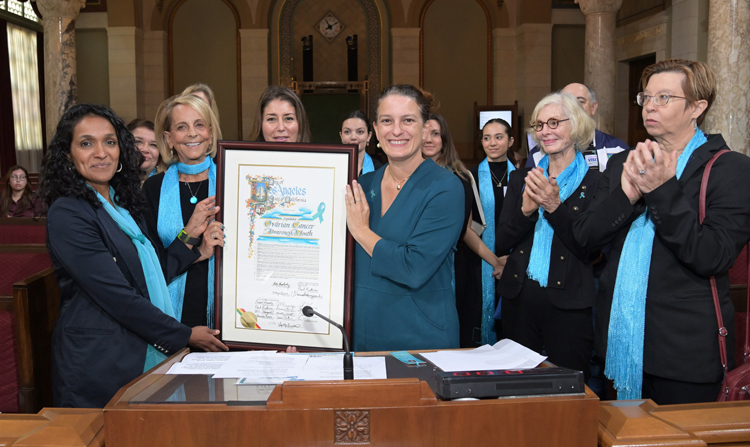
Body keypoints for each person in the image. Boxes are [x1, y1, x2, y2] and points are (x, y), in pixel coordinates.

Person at [573, 59, 750, 404]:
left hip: (685, 353)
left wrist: (660, 190)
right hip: (621, 345)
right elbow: (585, 238)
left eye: (664, 97)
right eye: (646, 97)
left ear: (697, 107)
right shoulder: (624, 162)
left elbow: (712, 255)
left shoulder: (730, 168)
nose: (650, 106)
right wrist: (626, 195)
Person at [38, 104, 227, 408]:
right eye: (87, 143)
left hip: (135, 355)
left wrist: (195, 245)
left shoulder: (119, 205)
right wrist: (185, 334)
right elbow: (117, 295)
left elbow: (149, 274)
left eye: (109, 142)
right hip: (99, 365)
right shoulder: (68, 212)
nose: (101, 153)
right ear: (68, 154)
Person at [345, 84, 465, 352]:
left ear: (425, 129)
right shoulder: (360, 186)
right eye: (387, 121)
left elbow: (414, 268)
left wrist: (361, 231)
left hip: (422, 336)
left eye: (408, 120)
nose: (396, 130)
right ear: (376, 129)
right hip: (364, 335)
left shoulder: (445, 188)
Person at [495, 92, 600, 380]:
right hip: (519, 299)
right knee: (515, 390)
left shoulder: (596, 183)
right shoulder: (521, 178)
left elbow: (589, 248)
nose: (545, 131)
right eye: (540, 125)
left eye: (554, 122)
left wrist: (554, 206)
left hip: (569, 305)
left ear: (576, 125)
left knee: (565, 390)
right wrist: (526, 212)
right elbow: (502, 242)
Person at [423, 114, 505, 347]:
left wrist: (495, 261)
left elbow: (467, 230)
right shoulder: (405, 178)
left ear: (445, 139)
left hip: (456, 267)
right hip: (418, 266)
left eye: (435, 134)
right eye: (424, 133)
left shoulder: (460, 178)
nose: (429, 139)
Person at [144, 94, 225, 329]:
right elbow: (152, 268)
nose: (192, 133)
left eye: (199, 125)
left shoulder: (232, 180)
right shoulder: (153, 188)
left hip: (227, 313)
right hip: (173, 317)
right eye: (182, 127)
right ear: (169, 139)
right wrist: (190, 232)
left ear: (210, 133)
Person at [456, 118, 517, 347]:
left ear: (510, 141)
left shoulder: (522, 176)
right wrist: (494, 261)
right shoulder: (468, 177)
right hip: (477, 259)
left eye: (499, 137)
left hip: (513, 259)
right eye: (486, 138)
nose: (492, 143)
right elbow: (467, 226)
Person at [527, 83, 628, 170]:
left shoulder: (617, 148)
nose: (574, 108)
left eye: (580, 102)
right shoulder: (538, 154)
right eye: (567, 102)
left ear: (593, 107)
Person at [340, 110, 382, 176]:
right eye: (347, 132)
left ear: (369, 136)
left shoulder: (379, 170)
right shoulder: (330, 165)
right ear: (341, 136)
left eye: (360, 132)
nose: (353, 137)